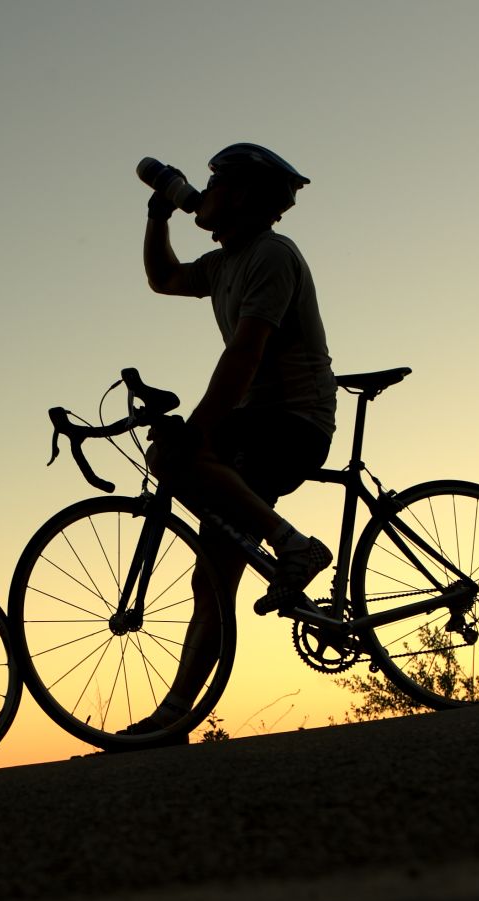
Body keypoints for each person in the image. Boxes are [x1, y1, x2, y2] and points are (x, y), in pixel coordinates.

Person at [128, 143, 336, 738]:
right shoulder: (224, 264)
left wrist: (201, 429)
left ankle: (294, 547)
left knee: (182, 466)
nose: (205, 193)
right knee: (211, 570)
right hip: (255, 417)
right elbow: (163, 278)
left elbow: (245, 354)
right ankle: (173, 721)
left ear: (241, 196)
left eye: (215, 185)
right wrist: (157, 215)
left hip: (293, 419)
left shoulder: (272, 255)